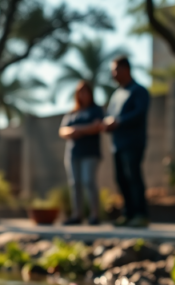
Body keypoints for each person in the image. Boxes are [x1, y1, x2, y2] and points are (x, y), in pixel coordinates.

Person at [103, 56, 151, 228]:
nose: (113, 74)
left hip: (133, 142)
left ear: (126, 69)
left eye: (116, 70)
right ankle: (128, 214)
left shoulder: (139, 91)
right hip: (117, 144)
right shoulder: (117, 94)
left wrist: (119, 122)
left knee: (133, 177)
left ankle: (140, 214)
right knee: (121, 179)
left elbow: (139, 113)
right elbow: (110, 115)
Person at [58, 81, 104, 226]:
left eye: (85, 92)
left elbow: (96, 127)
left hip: (90, 153)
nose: (83, 95)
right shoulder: (72, 113)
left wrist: (77, 129)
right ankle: (77, 215)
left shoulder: (95, 110)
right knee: (75, 183)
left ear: (91, 93)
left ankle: (94, 215)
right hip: (73, 153)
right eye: (80, 92)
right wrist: (81, 129)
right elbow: (63, 131)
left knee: (88, 181)